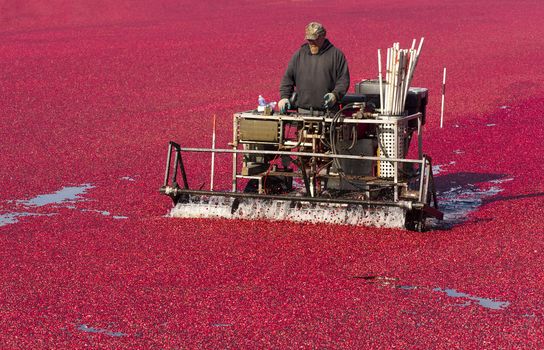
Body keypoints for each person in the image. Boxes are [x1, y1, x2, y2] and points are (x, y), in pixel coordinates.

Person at [279, 22, 350, 114]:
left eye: (314, 39)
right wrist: (284, 98)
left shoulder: (336, 55)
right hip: (303, 112)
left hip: (328, 113)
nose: (311, 42)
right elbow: (287, 79)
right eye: (309, 39)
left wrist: (335, 95)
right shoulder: (299, 55)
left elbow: (343, 81)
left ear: (322, 36)